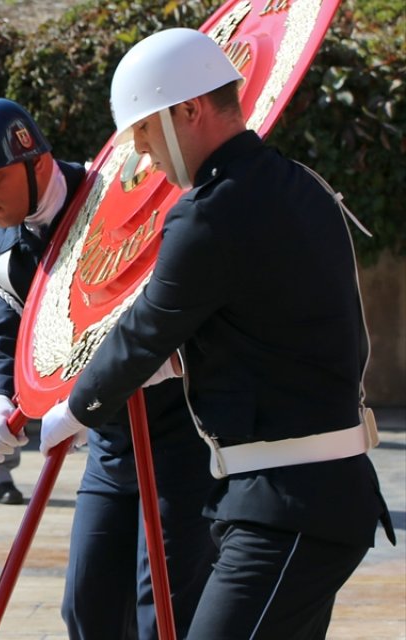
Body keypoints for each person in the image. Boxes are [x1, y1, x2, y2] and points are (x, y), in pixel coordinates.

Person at [38, 29, 394, 638]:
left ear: (188, 110)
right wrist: (183, 363)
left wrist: (68, 410)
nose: (143, 156)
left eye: (145, 133)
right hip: (303, 496)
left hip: (289, 507)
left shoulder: (209, 211)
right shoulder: (298, 182)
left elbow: (145, 329)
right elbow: (272, 325)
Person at [0, 98, 215, 638]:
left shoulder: (123, 196)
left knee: (164, 608)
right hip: (109, 444)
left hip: (182, 433)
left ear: (38, 162)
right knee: (87, 608)